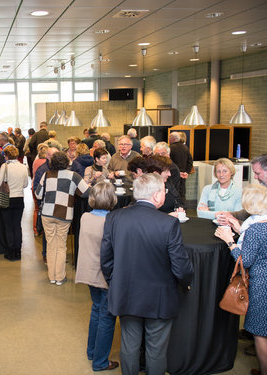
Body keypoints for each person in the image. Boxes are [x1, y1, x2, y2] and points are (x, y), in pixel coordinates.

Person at [100, 173, 194, 375]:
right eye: (164, 190)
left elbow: (106, 260)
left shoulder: (114, 218)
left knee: (129, 345)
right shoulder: (168, 224)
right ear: (157, 195)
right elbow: (181, 267)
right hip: (159, 297)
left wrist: (115, 282)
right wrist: (186, 282)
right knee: (156, 350)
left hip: (125, 293)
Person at [215, 184, 267, 375]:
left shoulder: (255, 229)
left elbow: (245, 260)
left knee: (261, 333)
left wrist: (230, 241)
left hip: (262, 286)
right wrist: (241, 230)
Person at [75, 182, 119, 372]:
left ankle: (92, 351)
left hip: (88, 272)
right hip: (105, 275)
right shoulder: (111, 222)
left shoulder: (85, 217)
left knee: (96, 310)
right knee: (107, 318)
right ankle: (100, 361)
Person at [35, 151, 90, 285]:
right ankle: (60, 277)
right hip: (64, 215)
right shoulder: (74, 176)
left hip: (47, 214)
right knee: (61, 246)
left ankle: (52, 276)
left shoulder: (46, 175)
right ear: (66, 162)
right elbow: (86, 193)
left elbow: (38, 194)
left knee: (51, 245)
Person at [0, 145, 28, 261]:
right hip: (19, 199)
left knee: (8, 226)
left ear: (6, 155)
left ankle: (10, 252)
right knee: (17, 225)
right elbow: (25, 185)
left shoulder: (5, 166)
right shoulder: (23, 167)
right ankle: (18, 252)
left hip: (7, 198)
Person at [169, 132, 193, 205]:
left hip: (173, 174)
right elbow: (190, 161)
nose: (169, 139)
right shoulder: (185, 148)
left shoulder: (170, 148)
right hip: (183, 175)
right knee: (182, 193)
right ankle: (183, 208)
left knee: (173, 192)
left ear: (172, 138)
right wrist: (186, 172)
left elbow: (168, 162)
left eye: (170, 137)